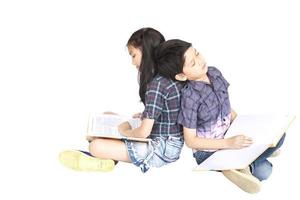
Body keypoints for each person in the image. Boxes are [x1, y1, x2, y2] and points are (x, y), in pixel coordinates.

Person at [154, 39, 285, 193]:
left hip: (229, 133)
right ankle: (242, 163)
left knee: (280, 138)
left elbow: (226, 106)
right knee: (265, 172)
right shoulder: (189, 97)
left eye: (197, 53)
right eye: (192, 63)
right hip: (209, 151)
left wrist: (244, 124)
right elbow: (191, 141)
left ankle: (246, 162)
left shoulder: (214, 73)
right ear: (182, 76)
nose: (200, 60)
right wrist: (228, 143)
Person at [59, 28, 184, 173]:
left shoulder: (156, 84)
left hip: (161, 149)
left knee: (95, 145)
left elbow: (143, 133)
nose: (132, 62)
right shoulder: (165, 77)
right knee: (106, 116)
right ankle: (109, 154)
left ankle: (106, 158)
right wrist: (145, 115)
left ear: (146, 52)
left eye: (133, 55)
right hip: (162, 137)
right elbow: (163, 109)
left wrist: (125, 131)